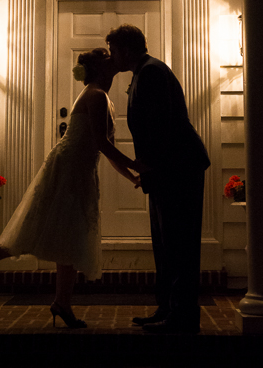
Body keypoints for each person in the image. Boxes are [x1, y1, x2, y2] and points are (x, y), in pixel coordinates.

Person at [0, 48, 140, 329]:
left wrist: (132, 177)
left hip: (80, 170)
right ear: (101, 68)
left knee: (69, 238)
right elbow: (103, 144)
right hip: (69, 170)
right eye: (109, 59)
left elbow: (106, 149)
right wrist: (138, 167)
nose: (115, 60)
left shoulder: (104, 97)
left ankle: (61, 302)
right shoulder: (96, 95)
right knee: (51, 228)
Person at [106, 24, 211, 334]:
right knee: (166, 244)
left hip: (177, 169)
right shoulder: (145, 72)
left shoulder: (151, 72)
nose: (113, 58)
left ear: (126, 50)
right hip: (167, 169)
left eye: (114, 51)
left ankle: (182, 316)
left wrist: (149, 169)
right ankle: (167, 308)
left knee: (179, 243)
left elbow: (161, 127)